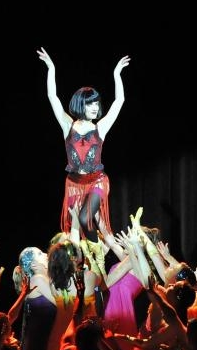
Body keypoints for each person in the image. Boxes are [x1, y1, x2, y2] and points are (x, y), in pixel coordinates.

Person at [37, 46, 131, 243]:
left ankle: (99, 252)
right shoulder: (67, 125)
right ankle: (101, 252)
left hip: (97, 180)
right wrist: (51, 68)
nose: (95, 107)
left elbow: (119, 100)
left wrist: (117, 74)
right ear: (81, 104)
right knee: (82, 227)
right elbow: (52, 97)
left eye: (97, 103)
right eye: (90, 104)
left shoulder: (100, 127)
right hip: (74, 183)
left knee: (84, 218)